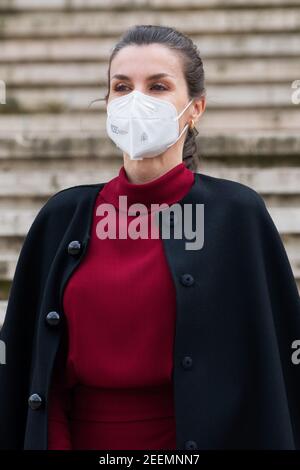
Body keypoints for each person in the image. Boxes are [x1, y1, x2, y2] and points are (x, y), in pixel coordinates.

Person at [0, 24, 300, 451]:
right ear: (107, 102)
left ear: (195, 108)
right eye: (122, 87)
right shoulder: (61, 218)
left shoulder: (237, 216)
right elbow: (30, 373)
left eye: (157, 86)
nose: (135, 100)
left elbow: (274, 373)